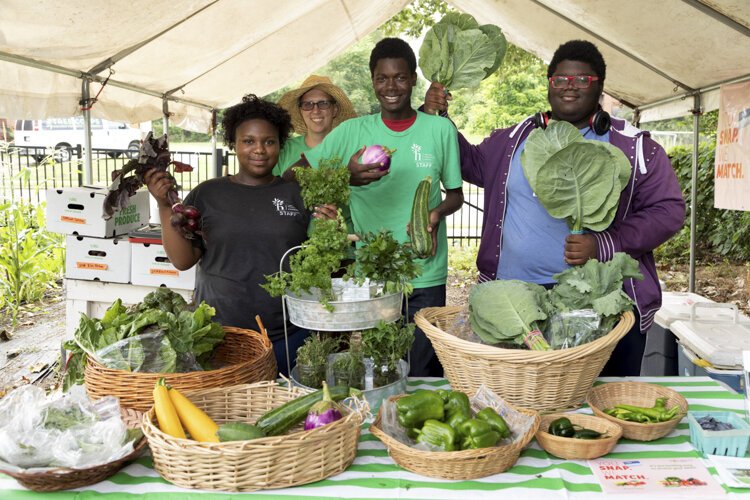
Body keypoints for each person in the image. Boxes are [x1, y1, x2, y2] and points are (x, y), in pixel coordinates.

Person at [424, 40, 686, 376]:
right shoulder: (514, 139)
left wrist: (605, 244)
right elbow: (472, 164)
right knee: (522, 397)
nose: (570, 88)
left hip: (598, 303)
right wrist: (441, 117)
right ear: (549, 84)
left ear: (601, 87)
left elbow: (668, 211)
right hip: (516, 301)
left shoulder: (635, 147)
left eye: (582, 81)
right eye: (560, 79)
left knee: (599, 401)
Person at [294, 38, 465, 378]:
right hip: (373, 272)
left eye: (400, 77)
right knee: (381, 364)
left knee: (423, 368)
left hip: (425, 270)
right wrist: (348, 177)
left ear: (413, 79)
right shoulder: (352, 131)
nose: (391, 86)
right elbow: (296, 176)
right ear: (373, 80)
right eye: (382, 78)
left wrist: (435, 214)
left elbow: (456, 195)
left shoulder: (440, 129)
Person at [144, 94, 333, 376]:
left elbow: (317, 261)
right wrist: (162, 205)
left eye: (269, 141)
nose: (259, 150)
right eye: (248, 141)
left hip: (286, 335)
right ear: (234, 144)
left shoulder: (297, 194)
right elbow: (183, 260)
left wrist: (330, 229)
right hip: (221, 336)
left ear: (280, 145)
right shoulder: (208, 194)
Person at [273, 75, 357, 175]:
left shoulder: (350, 148)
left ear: (334, 110)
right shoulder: (285, 149)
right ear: (301, 111)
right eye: (308, 104)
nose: (316, 111)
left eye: (323, 103)